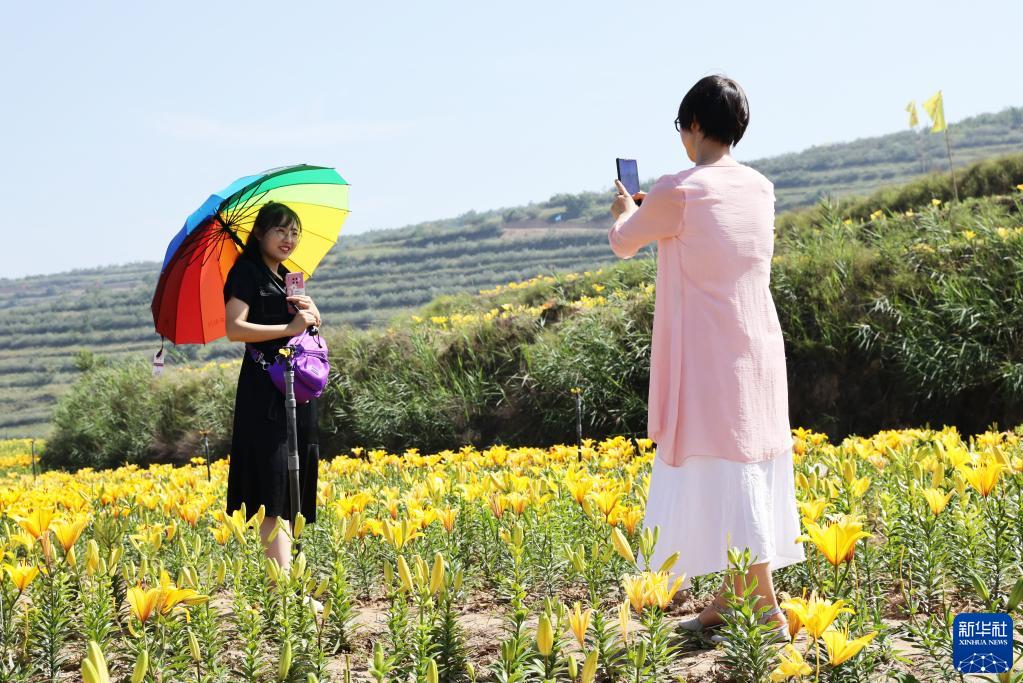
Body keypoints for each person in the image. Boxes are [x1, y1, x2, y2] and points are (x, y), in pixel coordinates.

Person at [608, 75, 804, 641]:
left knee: (730, 467)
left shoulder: (677, 191)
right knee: (747, 464)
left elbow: (624, 241)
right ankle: (732, 594)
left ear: (693, 126)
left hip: (710, 354)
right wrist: (655, 211)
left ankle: (763, 605)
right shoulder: (760, 188)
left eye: (681, 128)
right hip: (759, 345)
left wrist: (626, 209)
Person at [223, 201, 322, 570]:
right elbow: (234, 329)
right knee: (272, 483)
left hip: (296, 390)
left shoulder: (288, 278)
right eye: (280, 230)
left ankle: (293, 579)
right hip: (264, 391)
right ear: (260, 233)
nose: (289, 238)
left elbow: (305, 333)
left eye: (294, 232)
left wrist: (311, 315)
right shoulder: (246, 273)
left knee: (293, 483)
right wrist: (288, 328)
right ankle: (283, 586)